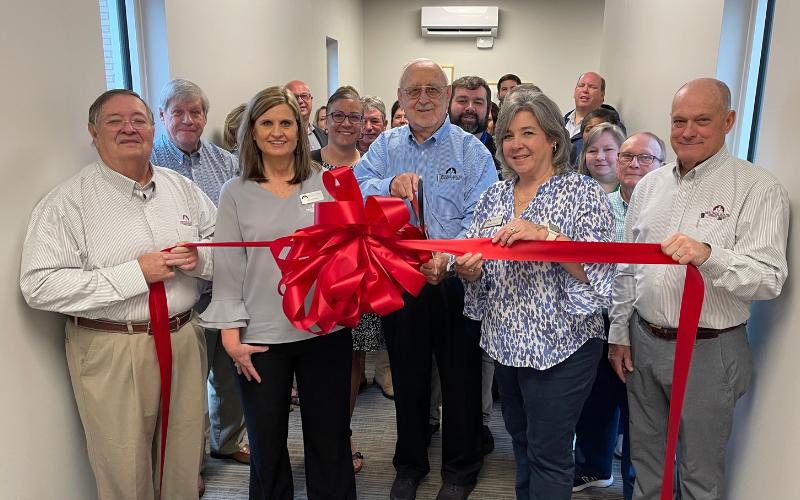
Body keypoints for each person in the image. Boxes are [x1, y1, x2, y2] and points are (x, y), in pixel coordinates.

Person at [20, 89, 216, 499]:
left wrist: (200, 261)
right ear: (93, 132)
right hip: (114, 348)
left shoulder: (181, 189)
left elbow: (222, 245)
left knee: (183, 461)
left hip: (184, 338)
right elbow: (38, 285)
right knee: (125, 470)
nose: (129, 128)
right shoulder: (67, 203)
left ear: (152, 127)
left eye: (138, 119)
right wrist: (134, 274)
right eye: (114, 121)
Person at [608, 78, 789, 500]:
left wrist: (710, 254)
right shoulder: (650, 186)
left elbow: (769, 279)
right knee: (646, 465)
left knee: (699, 473)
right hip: (644, 340)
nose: (688, 131)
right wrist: (619, 332)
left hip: (711, 350)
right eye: (679, 121)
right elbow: (627, 265)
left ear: (728, 121)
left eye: (702, 121)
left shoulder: (758, 190)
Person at [456, 87, 615, 500]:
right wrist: (467, 271)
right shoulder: (493, 196)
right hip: (506, 344)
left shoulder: (583, 193)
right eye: (508, 135)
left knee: (549, 453)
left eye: (528, 133)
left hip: (563, 347)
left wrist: (545, 236)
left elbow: (599, 275)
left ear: (553, 139)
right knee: (522, 444)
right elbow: (479, 266)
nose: (516, 145)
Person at [199, 86, 355, 499]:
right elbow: (230, 270)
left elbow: (346, 255)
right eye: (266, 123)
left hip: (325, 331)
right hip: (262, 338)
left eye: (286, 122)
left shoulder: (325, 183)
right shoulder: (234, 192)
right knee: (267, 446)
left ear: (301, 129)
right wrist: (231, 339)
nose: (277, 132)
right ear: (251, 132)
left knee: (330, 441)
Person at [355, 58, 496, 500]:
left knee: (461, 379)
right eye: (413, 90)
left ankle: (460, 469)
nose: (422, 99)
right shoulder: (386, 146)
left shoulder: (471, 150)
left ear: (448, 96)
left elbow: (485, 214)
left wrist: (448, 260)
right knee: (409, 377)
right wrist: (388, 184)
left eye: (432, 90)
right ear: (399, 97)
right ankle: (409, 464)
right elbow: (356, 189)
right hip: (402, 280)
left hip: (457, 280)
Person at [150, 79, 250, 471]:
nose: (188, 120)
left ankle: (227, 441)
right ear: (163, 117)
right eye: (178, 112)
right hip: (181, 290)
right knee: (189, 384)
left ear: (205, 116)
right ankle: (188, 466)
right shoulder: (153, 163)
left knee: (228, 372)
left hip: (224, 284)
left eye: (196, 112)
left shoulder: (224, 161)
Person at [573, 132, 665, 498]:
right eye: (627, 156)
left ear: (661, 166)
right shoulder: (600, 205)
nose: (634, 164)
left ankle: (634, 485)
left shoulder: (666, 210)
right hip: (600, 317)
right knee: (596, 400)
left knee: (639, 415)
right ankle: (592, 468)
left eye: (646, 158)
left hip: (646, 322)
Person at [310, 86, 386, 474]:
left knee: (352, 359)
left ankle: (343, 433)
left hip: (360, 280)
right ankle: (317, 438)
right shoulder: (302, 165)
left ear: (364, 124)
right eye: (337, 115)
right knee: (313, 362)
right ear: (325, 120)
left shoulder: (373, 168)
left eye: (354, 117)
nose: (345, 124)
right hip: (312, 281)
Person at [447, 74, 498, 452]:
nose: (469, 109)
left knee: (477, 362)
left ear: (488, 109)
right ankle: (437, 421)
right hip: (440, 271)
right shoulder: (442, 149)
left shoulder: (503, 153)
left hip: (486, 279)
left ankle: (477, 425)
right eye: (462, 100)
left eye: (477, 102)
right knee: (438, 363)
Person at [578, 123, 626, 193]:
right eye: (592, 151)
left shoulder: (636, 191)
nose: (599, 157)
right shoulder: (572, 190)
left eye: (608, 149)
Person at [285, 79, 327, 151]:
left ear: (311, 99)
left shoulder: (324, 136)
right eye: (294, 97)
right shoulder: (282, 136)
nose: (300, 101)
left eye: (304, 96)